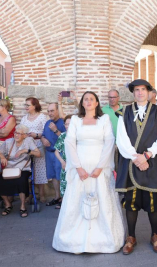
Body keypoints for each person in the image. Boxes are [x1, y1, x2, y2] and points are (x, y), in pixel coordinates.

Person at [52, 91, 125, 254]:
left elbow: (109, 142)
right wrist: (78, 167)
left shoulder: (104, 119)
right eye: (86, 99)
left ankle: (103, 240)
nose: (89, 101)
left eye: (92, 99)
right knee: (78, 200)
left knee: (101, 198)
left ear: (97, 103)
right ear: (82, 103)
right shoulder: (76, 120)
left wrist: (100, 166)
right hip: (81, 167)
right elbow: (70, 143)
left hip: (100, 166)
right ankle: (72, 240)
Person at [116, 79, 157, 255]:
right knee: (130, 203)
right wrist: (136, 158)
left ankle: (155, 235)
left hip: (153, 162)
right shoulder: (124, 112)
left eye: (143, 89)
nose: (140, 93)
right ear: (133, 93)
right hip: (132, 162)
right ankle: (131, 236)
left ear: (149, 92)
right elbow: (121, 138)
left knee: (153, 203)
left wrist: (147, 155)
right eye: (136, 90)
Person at [0, 125, 41, 218]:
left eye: (19, 133)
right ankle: (7, 204)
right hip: (9, 169)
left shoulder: (28, 141)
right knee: (0, 182)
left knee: (21, 181)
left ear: (25, 135)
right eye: (15, 132)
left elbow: (38, 153)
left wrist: (26, 151)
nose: (16, 135)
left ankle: (23, 206)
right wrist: (2, 156)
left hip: (23, 169)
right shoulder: (9, 142)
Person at [20, 97, 48, 202]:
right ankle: (30, 193)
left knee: (40, 169)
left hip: (38, 145)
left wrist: (36, 134)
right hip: (27, 146)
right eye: (25, 105)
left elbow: (46, 132)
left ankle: (42, 194)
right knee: (28, 169)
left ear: (35, 106)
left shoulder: (42, 117)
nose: (26, 107)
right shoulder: (24, 118)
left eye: (28, 105)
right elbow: (20, 130)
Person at [41, 103, 66, 207]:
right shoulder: (47, 123)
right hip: (49, 153)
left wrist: (55, 130)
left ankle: (64, 199)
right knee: (53, 176)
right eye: (48, 111)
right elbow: (42, 135)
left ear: (57, 111)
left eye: (52, 111)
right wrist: (43, 139)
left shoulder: (63, 123)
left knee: (61, 176)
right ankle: (57, 197)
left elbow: (66, 138)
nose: (50, 113)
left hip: (59, 154)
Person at [53, 114, 73, 209]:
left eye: (70, 124)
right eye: (66, 124)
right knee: (65, 188)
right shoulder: (63, 135)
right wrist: (62, 161)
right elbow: (56, 151)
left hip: (77, 166)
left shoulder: (80, 136)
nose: (67, 126)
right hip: (66, 165)